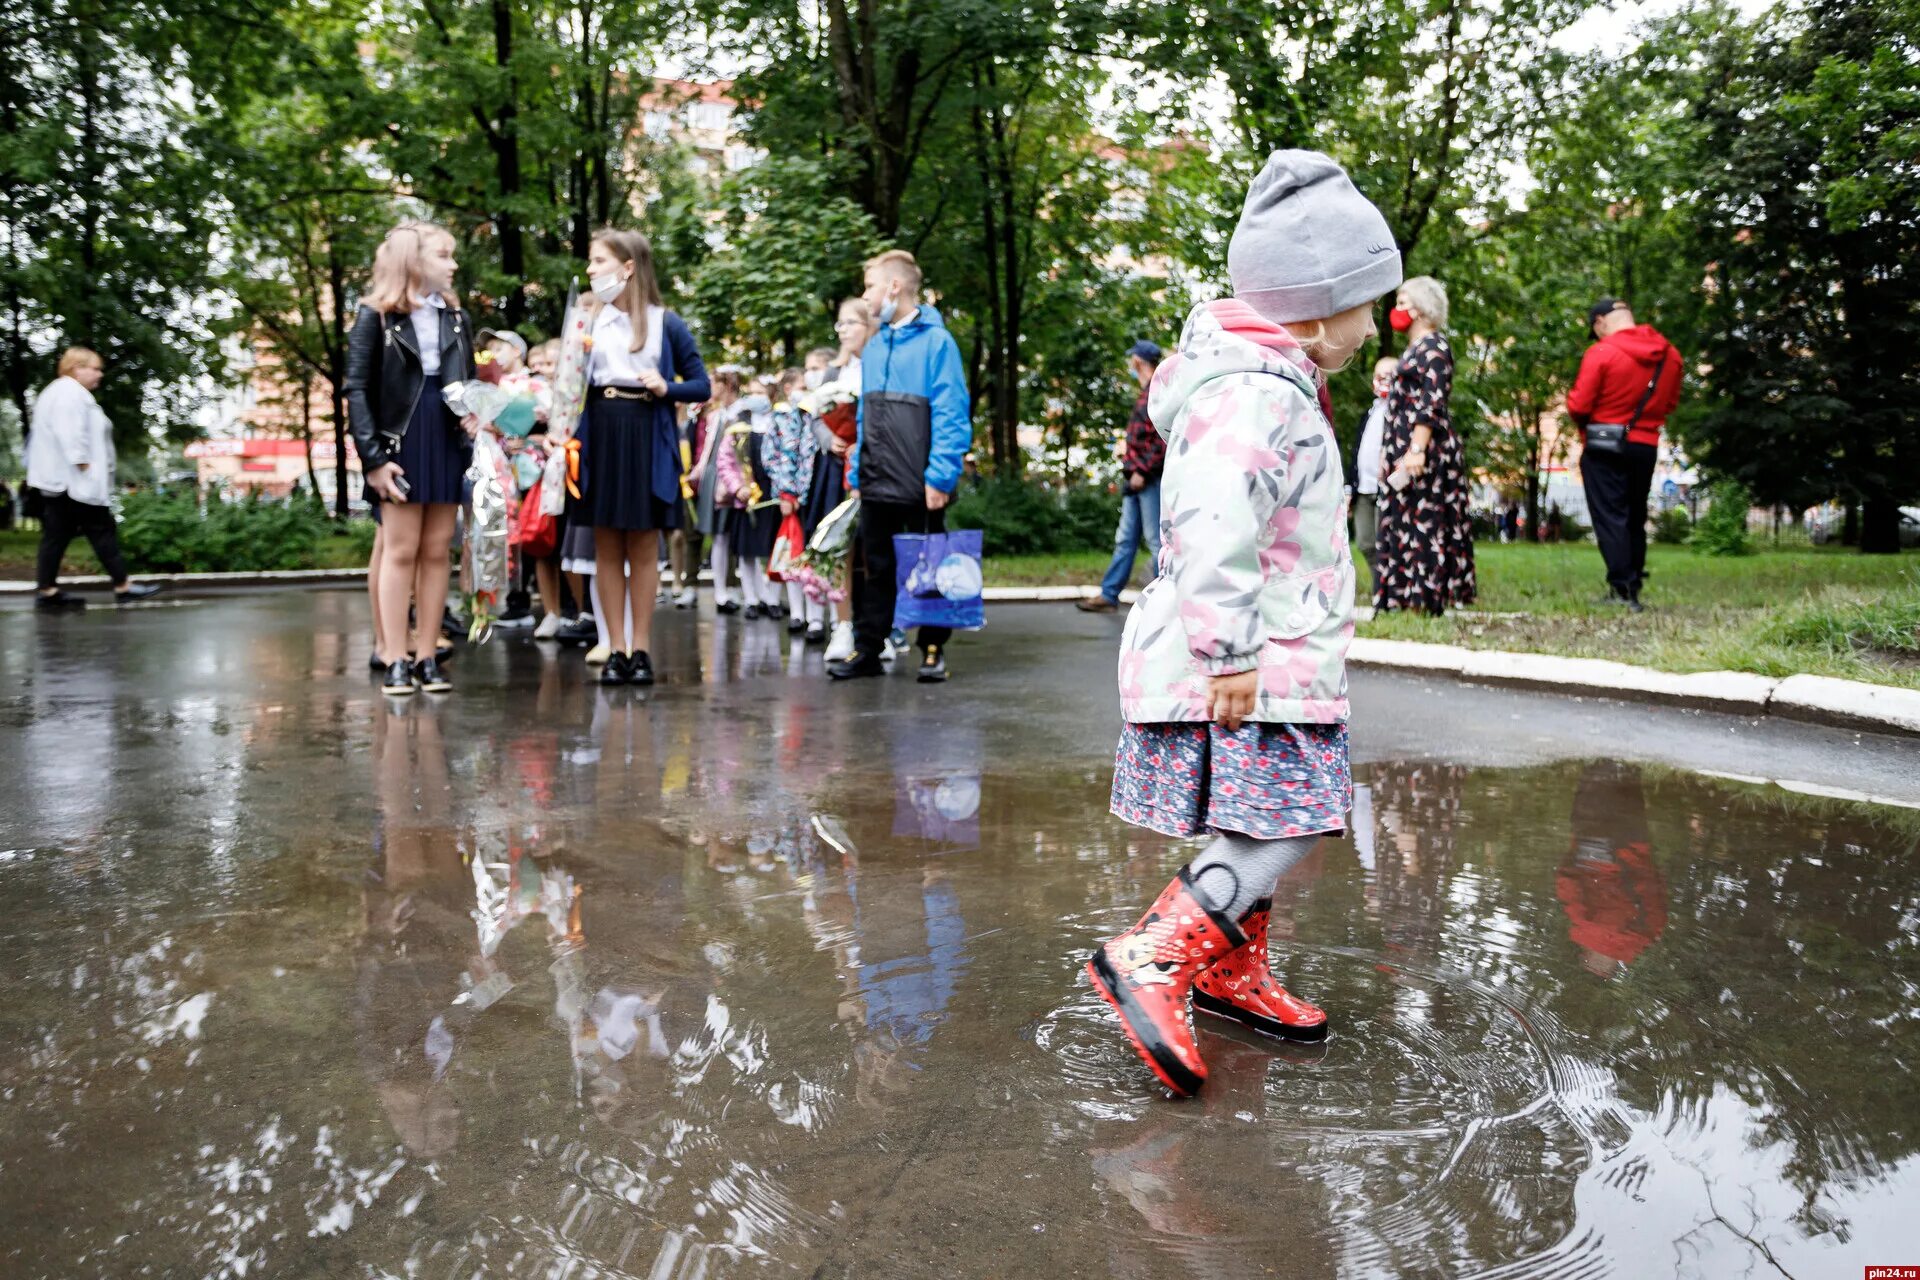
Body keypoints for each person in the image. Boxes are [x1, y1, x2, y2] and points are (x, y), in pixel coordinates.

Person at [1087, 150, 1398, 1097]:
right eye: (1365, 304)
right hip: (1250, 660)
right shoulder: (1256, 390)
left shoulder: (1271, 380)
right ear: (1312, 305)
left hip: (1270, 654)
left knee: (1256, 813)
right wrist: (1230, 652)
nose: (1376, 325)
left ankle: (1227, 968)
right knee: (1290, 823)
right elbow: (1214, 514)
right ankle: (1157, 954)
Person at [344, 221, 478, 694]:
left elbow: (467, 383)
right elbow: (357, 391)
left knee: (438, 549)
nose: (453, 264)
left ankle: (426, 657)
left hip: (445, 438)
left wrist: (476, 414)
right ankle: (395, 656)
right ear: (414, 260)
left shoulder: (455, 318)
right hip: (400, 442)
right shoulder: (375, 316)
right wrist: (374, 459)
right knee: (401, 551)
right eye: (444, 255)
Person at [830, 249, 972, 684]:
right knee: (875, 566)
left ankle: (933, 650)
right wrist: (857, 474)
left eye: (870, 285)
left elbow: (951, 411)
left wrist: (941, 474)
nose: (865, 295)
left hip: (919, 480)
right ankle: (868, 648)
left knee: (928, 563)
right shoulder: (876, 347)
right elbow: (864, 416)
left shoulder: (937, 343)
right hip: (876, 480)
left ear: (894, 286)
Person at [576, 228, 709, 687]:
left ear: (627, 267)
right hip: (602, 435)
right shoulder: (588, 323)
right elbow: (570, 388)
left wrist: (666, 388)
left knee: (643, 547)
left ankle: (642, 649)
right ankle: (615, 648)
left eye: (598, 261)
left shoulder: (664, 322)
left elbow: (702, 384)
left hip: (646, 433)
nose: (590, 270)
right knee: (607, 547)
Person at [1565, 298, 1682, 611]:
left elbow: (1579, 405)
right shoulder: (1669, 355)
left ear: (1601, 321)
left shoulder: (1601, 352)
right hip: (1646, 445)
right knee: (1634, 515)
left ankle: (1622, 589)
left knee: (1611, 515)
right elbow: (1670, 403)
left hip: (1604, 445)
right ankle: (1633, 584)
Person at [26, 347, 162, 609]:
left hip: (66, 481)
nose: (100, 374)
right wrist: (83, 463)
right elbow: (71, 431)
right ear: (77, 367)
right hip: (74, 481)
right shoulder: (68, 393)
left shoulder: (64, 392)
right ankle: (123, 586)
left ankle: (47, 592)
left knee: (57, 534)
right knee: (101, 530)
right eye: (95, 368)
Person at [1373, 275, 1475, 615]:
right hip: (1404, 449)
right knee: (1405, 522)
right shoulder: (1416, 349)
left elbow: (1431, 403)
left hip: (1422, 452)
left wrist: (1416, 450)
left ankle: (1424, 599)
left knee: (1423, 523)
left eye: (1403, 302)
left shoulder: (1434, 348)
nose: (1397, 310)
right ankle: (1406, 597)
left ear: (1421, 308)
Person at [1078, 340, 1166, 614]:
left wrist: (1142, 470)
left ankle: (1164, 599)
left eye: (1132, 359)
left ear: (1138, 361)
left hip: (1146, 479)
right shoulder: (1146, 392)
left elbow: (1162, 439)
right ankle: (1109, 594)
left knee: (1156, 541)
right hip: (1135, 480)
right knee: (1125, 539)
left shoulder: (1158, 391)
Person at [812, 299, 875, 662]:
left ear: (868, 326)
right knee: (840, 547)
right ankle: (843, 625)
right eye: (840, 325)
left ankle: (878, 626)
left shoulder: (880, 367)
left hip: (873, 469)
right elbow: (814, 416)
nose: (844, 331)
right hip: (838, 470)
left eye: (851, 323)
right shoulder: (831, 374)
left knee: (874, 548)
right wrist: (829, 438)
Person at [765, 367, 827, 638]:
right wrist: (786, 492)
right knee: (792, 553)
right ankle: (797, 613)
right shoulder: (780, 418)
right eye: (801, 383)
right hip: (792, 497)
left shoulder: (817, 413)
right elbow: (774, 457)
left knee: (814, 553)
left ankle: (816, 617)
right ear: (789, 389)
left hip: (816, 493)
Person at [1350, 356, 1396, 593]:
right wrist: (1350, 487)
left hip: (1386, 489)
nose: (1382, 381)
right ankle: (1382, 586)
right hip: (1363, 489)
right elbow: (1357, 451)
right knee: (1365, 541)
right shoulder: (1370, 413)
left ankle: (1387, 591)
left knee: (1386, 542)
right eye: (1378, 376)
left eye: (1389, 376)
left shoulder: (1400, 414)